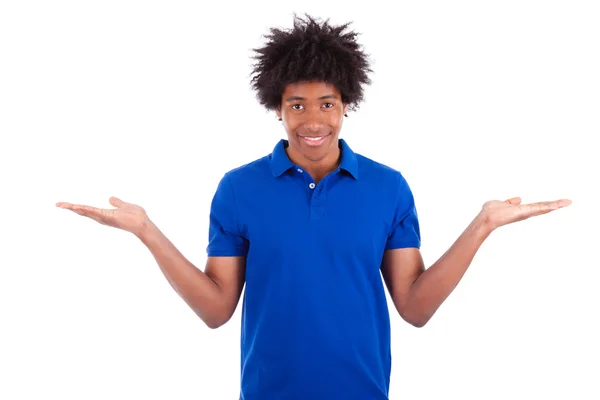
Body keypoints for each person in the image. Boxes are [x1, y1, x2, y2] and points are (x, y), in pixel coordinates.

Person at [56, 13, 571, 400]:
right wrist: (147, 230)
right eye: (296, 105)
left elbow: (414, 307)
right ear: (276, 109)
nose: (312, 120)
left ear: (346, 103)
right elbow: (216, 310)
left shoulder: (388, 187)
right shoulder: (238, 188)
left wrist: (481, 226)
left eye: (326, 103)